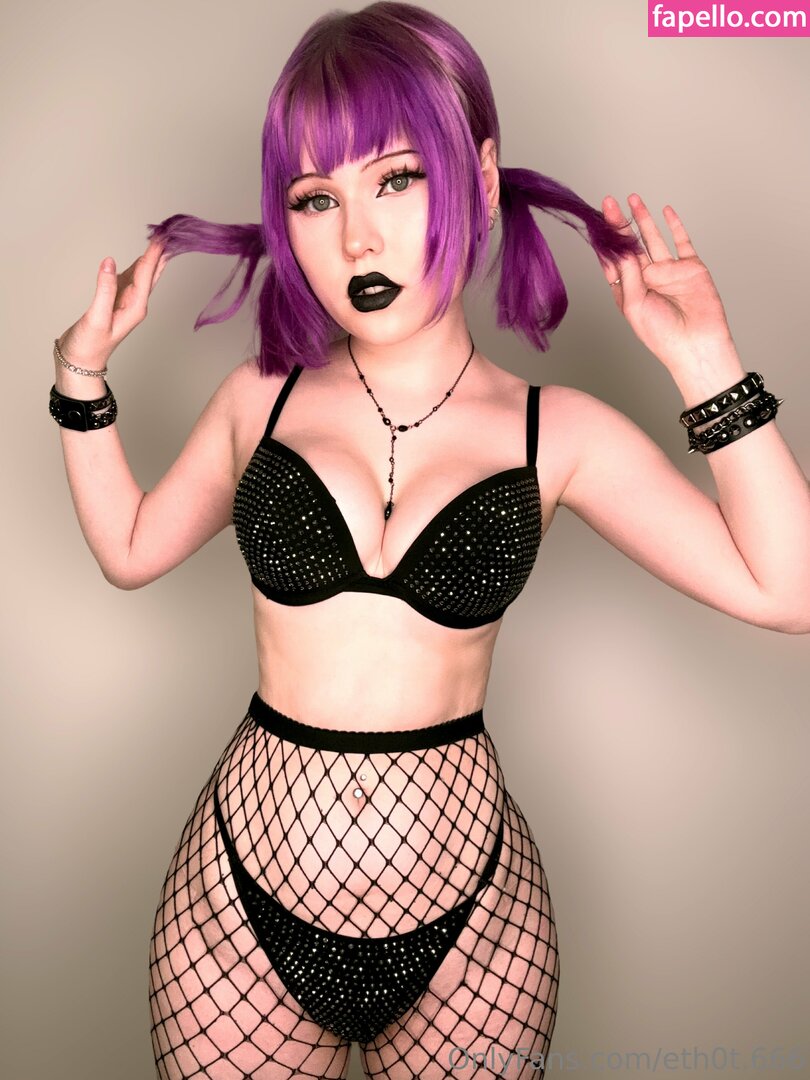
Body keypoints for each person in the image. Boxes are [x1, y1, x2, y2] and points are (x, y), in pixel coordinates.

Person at [50, 2, 810, 1077]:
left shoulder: (557, 432)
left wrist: (705, 363)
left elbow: (789, 590)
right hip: (236, 915)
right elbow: (130, 551)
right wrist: (81, 380)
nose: (357, 239)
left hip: (474, 929)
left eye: (396, 180)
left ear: (480, 180)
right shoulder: (259, 400)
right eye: (316, 199)